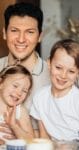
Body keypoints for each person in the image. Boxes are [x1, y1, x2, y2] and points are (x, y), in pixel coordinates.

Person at [0, 2, 50, 136]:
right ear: (5, 33)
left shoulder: (54, 76)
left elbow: (64, 131)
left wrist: (20, 133)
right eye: (14, 30)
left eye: (29, 32)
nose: (21, 39)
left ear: (39, 36)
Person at [30, 39, 79, 142]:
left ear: (78, 73)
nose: (63, 75)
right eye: (58, 67)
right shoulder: (40, 97)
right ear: (49, 63)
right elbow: (44, 137)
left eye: (71, 71)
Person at [0, 65, 34, 144]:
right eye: (15, 86)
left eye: (24, 91)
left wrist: (14, 126)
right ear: (1, 83)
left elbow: (31, 141)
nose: (19, 93)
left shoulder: (20, 111)